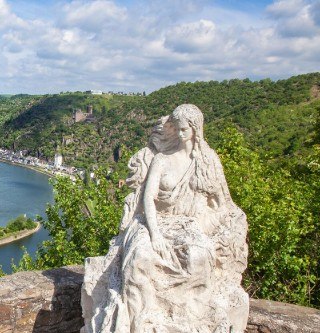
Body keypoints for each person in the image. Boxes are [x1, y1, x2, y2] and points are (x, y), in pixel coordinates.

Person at [81, 104, 248, 333]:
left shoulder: (207, 162)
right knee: (140, 257)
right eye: (176, 129)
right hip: (153, 222)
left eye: (184, 130)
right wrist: (155, 234)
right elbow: (148, 200)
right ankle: (140, 322)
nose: (179, 135)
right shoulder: (162, 159)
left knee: (198, 257)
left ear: (196, 129)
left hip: (187, 226)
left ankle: (188, 317)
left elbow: (222, 202)